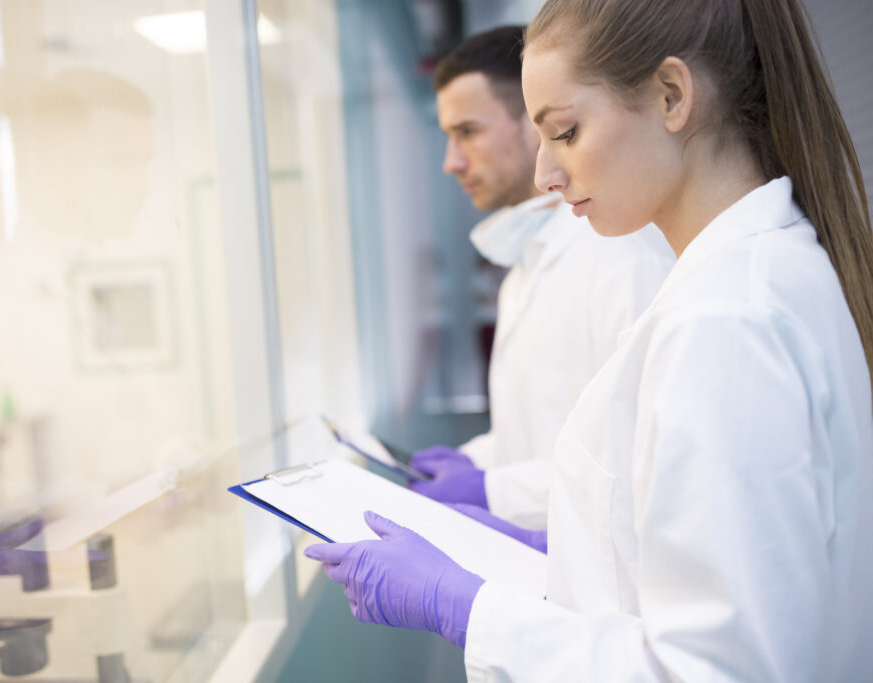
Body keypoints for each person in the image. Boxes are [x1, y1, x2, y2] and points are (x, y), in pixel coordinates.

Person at [305, 0, 873, 679]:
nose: (545, 174)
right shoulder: (758, 274)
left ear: (670, 96)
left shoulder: (723, 322)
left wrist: (468, 607)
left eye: (566, 132)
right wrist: (545, 552)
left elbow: (716, 668)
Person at [410, 25, 673, 530]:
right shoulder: (524, 269)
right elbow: (536, 433)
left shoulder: (624, 255)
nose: (452, 162)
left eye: (467, 131)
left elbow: (639, 463)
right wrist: (470, 461)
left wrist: (489, 489)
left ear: (533, 122)